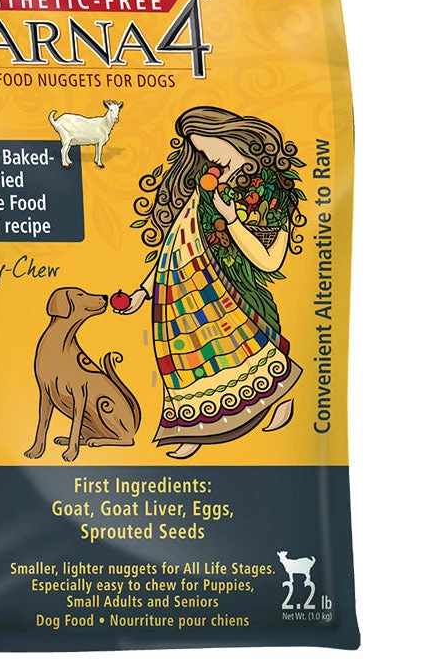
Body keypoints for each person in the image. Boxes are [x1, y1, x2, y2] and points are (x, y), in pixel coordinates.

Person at [117, 106, 303, 459]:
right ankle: (193, 427)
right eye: (200, 149)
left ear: (233, 137)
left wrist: (231, 218)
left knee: (255, 355)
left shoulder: (270, 189)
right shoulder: (207, 185)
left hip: (240, 291)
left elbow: (270, 260)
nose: (208, 156)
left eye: (211, 146)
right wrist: (144, 290)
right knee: (189, 358)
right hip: (191, 292)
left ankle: (281, 398)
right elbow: (175, 243)